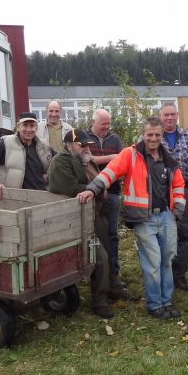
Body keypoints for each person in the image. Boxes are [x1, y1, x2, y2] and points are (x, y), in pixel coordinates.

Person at [77, 116, 186, 320]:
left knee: (167, 260)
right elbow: (109, 173)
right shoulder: (131, 154)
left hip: (166, 217)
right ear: (143, 135)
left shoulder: (168, 158)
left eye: (157, 135)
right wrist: (92, 190)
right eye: (149, 135)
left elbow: (179, 184)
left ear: (162, 136)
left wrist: (177, 210)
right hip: (143, 219)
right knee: (152, 261)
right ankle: (155, 305)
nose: (153, 138)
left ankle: (166, 301)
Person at [48, 128, 124, 318]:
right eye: (81, 145)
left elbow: (99, 180)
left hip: (95, 214)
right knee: (100, 258)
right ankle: (99, 302)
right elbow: (72, 189)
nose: (86, 149)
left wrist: (100, 187)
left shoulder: (83, 160)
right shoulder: (60, 162)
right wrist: (97, 189)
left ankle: (114, 288)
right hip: (75, 219)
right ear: (68, 145)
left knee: (109, 250)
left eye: (88, 145)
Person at [159, 101, 188, 291]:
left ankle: (179, 275)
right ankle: (164, 273)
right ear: (161, 117)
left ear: (177, 116)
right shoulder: (152, 136)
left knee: (184, 233)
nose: (169, 118)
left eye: (172, 114)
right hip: (159, 192)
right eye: (166, 115)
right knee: (164, 234)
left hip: (184, 191)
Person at [0, 112, 53, 199]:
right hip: (16, 198)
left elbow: (58, 161)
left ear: (36, 127)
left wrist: (48, 173)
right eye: (25, 125)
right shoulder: (6, 142)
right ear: (18, 126)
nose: (28, 130)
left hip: (41, 196)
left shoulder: (44, 145)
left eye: (32, 126)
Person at [87, 108, 124, 279]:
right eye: (103, 124)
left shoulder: (115, 139)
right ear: (93, 122)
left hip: (114, 192)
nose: (107, 127)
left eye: (109, 123)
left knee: (112, 233)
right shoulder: (85, 139)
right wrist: (110, 158)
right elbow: (86, 160)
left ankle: (114, 270)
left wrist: (112, 158)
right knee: (94, 233)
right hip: (92, 193)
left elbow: (122, 160)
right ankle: (96, 271)